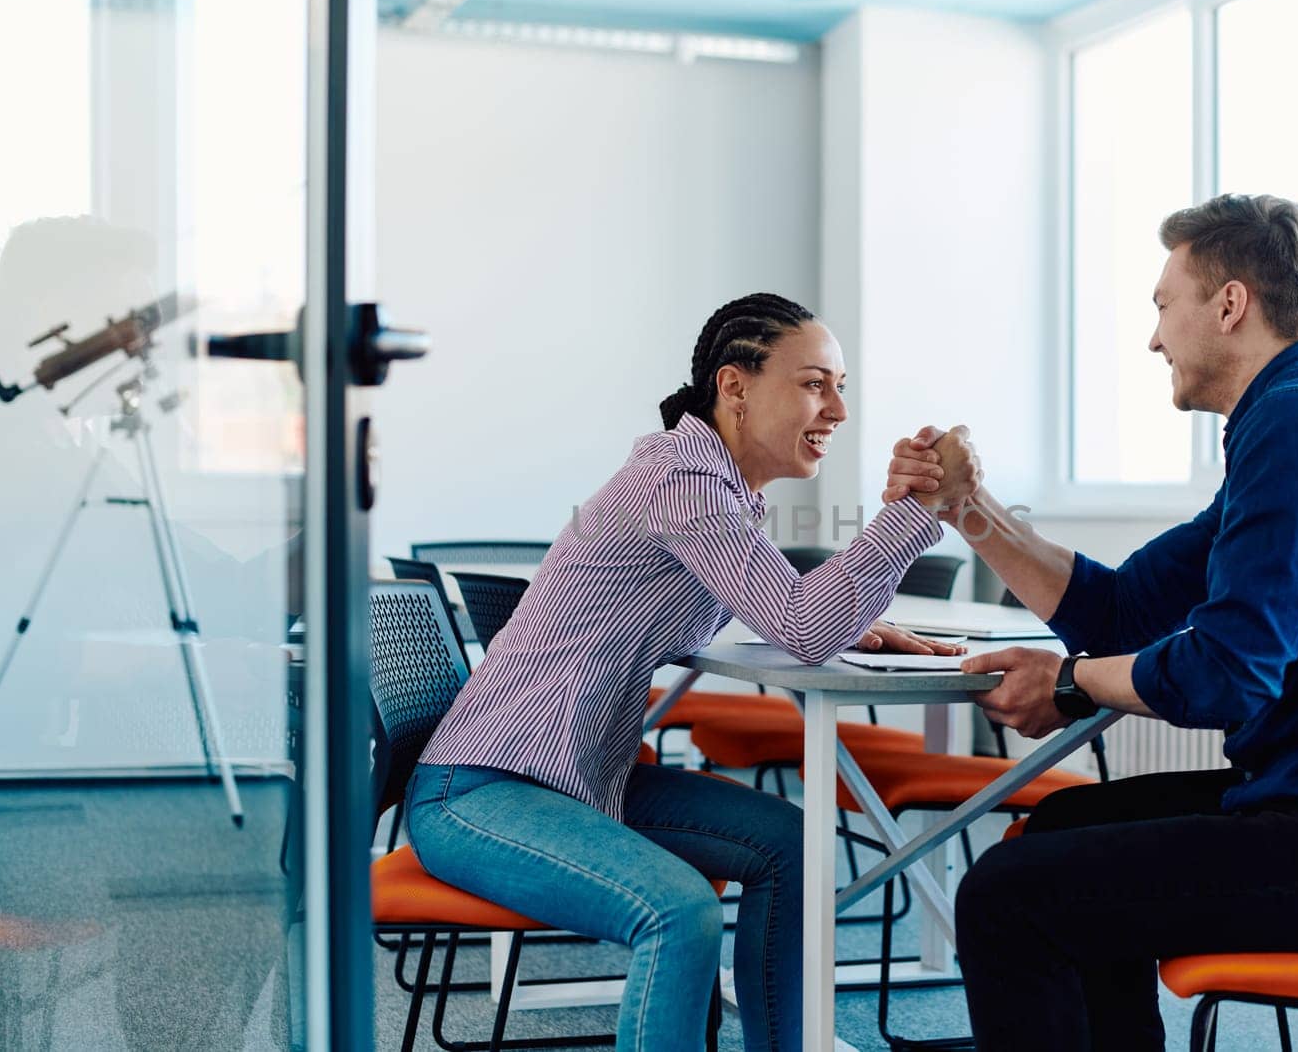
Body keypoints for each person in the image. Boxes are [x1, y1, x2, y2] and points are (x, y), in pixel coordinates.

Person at [885, 194, 1298, 1051]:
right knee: (1064, 828)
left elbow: (1226, 672)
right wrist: (968, 507)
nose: (1153, 337)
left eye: (1162, 306)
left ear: (1230, 303)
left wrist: (1066, 683)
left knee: (1008, 895)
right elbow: (1123, 608)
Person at [405, 293, 978, 1052]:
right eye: (815, 382)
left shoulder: (715, 486)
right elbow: (804, 625)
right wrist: (915, 512)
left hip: (578, 780)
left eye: (841, 385)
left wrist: (856, 613)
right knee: (678, 910)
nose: (838, 408)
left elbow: (784, 610)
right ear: (734, 386)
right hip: (481, 790)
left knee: (791, 845)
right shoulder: (683, 481)